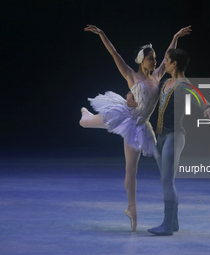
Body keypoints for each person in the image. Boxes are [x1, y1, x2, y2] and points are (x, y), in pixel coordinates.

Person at [79, 25, 192, 232]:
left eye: (156, 58)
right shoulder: (131, 75)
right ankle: (86, 117)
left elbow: (169, 55)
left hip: (141, 126)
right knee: (88, 122)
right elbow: (114, 53)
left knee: (131, 169)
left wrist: (175, 37)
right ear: (141, 60)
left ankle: (131, 208)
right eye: (151, 58)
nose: (156, 61)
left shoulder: (158, 76)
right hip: (127, 116)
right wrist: (102, 34)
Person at [128, 48, 210, 235]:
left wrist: (207, 107)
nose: (164, 62)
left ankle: (167, 224)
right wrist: (130, 96)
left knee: (167, 180)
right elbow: (144, 94)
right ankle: (174, 222)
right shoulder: (166, 82)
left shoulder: (183, 84)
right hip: (161, 136)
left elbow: (197, 95)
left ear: (174, 63)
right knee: (165, 180)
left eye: (167, 60)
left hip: (175, 135)